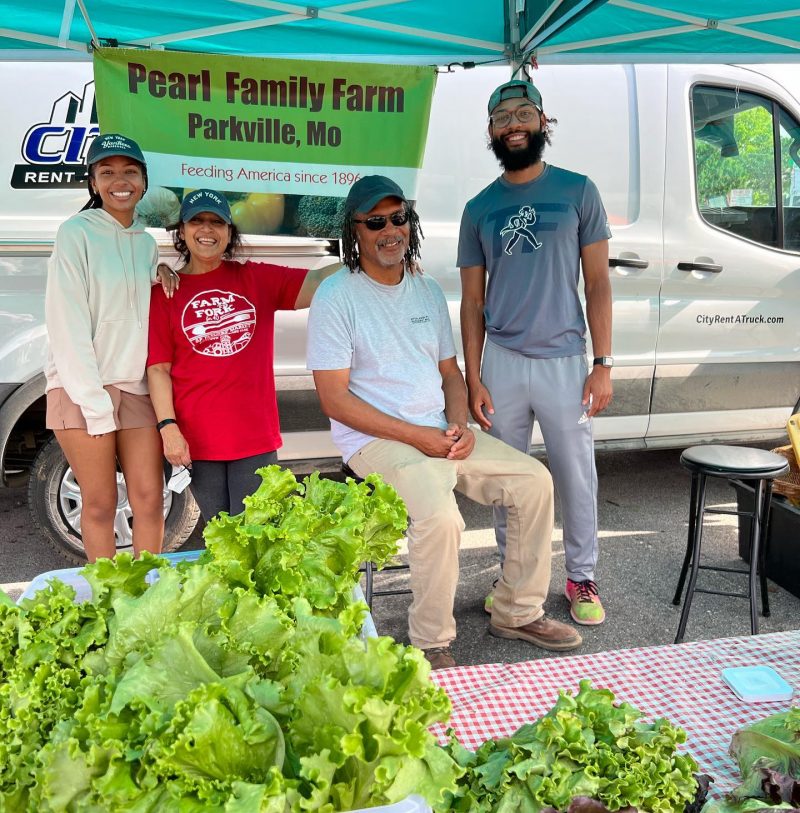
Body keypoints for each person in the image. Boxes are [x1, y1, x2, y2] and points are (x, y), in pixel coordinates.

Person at [307, 175, 582, 670]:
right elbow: (334, 400)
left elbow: (449, 372)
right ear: (354, 231)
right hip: (376, 441)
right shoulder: (336, 296)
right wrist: (420, 438)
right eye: (375, 222)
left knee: (535, 481)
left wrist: (458, 427)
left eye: (398, 218)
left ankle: (517, 612)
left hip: (436, 429)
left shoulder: (427, 289)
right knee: (439, 518)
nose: (390, 230)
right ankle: (430, 643)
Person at [458, 78, 613, 626]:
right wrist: (475, 378)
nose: (514, 124)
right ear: (492, 131)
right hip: (501, 361)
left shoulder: (578, 191)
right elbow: (472, 301)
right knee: (509, 481)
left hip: (566, 362)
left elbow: (597, 284)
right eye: (503, 118)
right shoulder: (479, 208)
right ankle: (513, 579)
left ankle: (581, 576)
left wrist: (603, 364)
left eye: (524, 114)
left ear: (543, 122)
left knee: (576, 475)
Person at [147, 189, 343, 521]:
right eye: (197, 221)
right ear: (182, 231)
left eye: (217, 223)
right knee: (221, 539)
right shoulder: (165, 292)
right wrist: (169, 429)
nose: (207, 230)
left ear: (229, 233)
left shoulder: (255, 278)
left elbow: (318, 283)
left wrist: (366, 253)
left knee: (256, 538)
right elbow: (158, 370)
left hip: (254, 439)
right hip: (198, 442)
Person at [44, 133, 169, 562]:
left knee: (150, 501)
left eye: (130, 171)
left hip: (134, 389)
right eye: (107, 172)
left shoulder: (147, 243)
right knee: (99, 506)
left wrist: (162, 273)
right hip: (82, 391)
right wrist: (95, 403)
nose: (120, 181)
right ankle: (108, 604)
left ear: (144, 181)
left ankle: (147, 598)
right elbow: (67, 325)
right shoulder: (75, 234)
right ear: (93, 182)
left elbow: (138, 308)